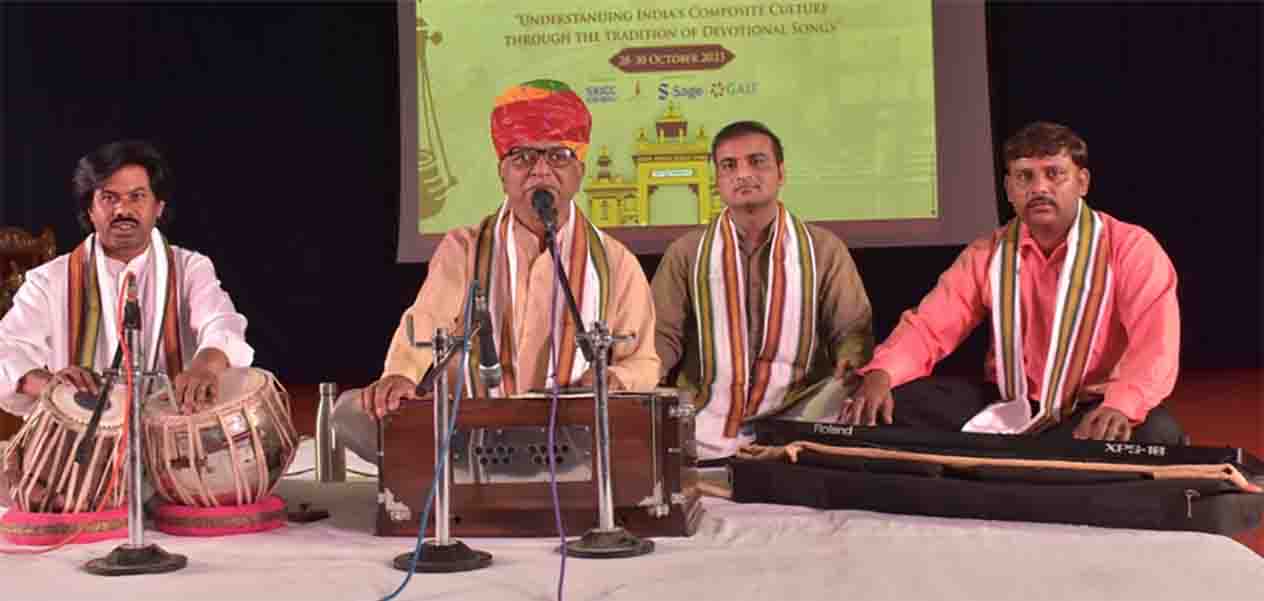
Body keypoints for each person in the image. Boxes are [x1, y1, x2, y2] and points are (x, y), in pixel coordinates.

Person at [336, 79, 660, 460]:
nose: (540, 171)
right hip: (475, 427)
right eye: (522, 157)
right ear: (502, 172)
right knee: (350, 411)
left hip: (574, 431)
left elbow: (643, 360)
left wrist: (614, 379)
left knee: (649, 426)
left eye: (558, 156)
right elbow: (427, 319)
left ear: (580, 172)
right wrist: (402, 374)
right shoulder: (465, 249)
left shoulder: (615, 262)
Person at [847, 122, 1183, 444]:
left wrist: (1119, 406)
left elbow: (1156, 344)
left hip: (1091, 407)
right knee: (894, 401)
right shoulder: (988, 252)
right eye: (1025, 177)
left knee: (1157, 433)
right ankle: (1039, 462)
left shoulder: (1130, 248)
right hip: (1010, 402)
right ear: (1009, 189)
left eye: (1054, 174)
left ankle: (1006, 463)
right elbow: (930, 327)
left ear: (1082, 182)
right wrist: (883, 373)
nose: (1039, 188)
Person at [0, 140, 254, 507]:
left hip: (174, 438)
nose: (123, 209)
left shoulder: (190, 269)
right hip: (82, 444)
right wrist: (50, 384)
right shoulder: (50, 280)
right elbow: (7, 347)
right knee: (21, 484)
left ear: (158, 207)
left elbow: (222, 322)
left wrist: (204, 365)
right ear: (90, 209)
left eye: (137, 197)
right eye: (109, 197)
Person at [652, 120, 874, 459]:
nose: (743, 174)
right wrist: (639, 377)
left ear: (781, 173)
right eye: (729, 165)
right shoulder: (687, 252)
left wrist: (851, 364)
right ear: (717, 180)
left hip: (799, 419)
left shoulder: (824, 249)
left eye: (757, 162)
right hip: (704, 421)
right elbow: (661, 337)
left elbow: (852, 333)